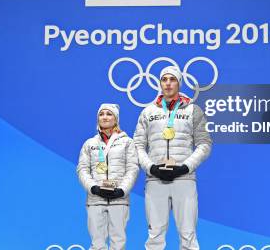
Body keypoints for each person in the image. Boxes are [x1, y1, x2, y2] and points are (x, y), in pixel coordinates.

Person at [133, 66, 212, 250]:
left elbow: (204, 144)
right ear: (160, 83)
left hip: (184, 179)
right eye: (164, 79)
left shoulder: (193, 110)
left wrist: (185, 167)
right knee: (155, 236)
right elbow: (137, 146)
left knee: (188, 234)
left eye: (172, 79)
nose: (168, 83)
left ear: (178, 83)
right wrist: (151, 168)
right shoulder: (148, 112)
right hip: (155, 180)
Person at [77, 103, 139, 250]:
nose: (104, 117)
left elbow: (132, 168)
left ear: (116, 118)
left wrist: (122, 190)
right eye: (101, 114)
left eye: (109, 114)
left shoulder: (127, 142)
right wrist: (93, 188)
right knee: (97, 244)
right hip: (95, 199)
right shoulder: (89, 144)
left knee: (118, 243)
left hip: (119, 200)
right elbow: (82, 169)